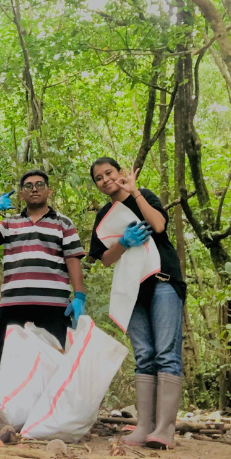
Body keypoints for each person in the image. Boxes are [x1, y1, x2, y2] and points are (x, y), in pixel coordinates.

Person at [89, 157, 185, 449]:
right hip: (132, 289)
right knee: (144, 354)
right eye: (99, 178)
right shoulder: (104, 216)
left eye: (110, 173)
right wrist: (123, 242)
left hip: (163, 280)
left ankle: (165, 428)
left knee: (167, 352)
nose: (106, 179)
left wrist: (136, 193)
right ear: (96, 185)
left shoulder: (143, 195)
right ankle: (144, 426)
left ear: (120, 172)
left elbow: (158, 225)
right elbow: (104, 258)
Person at [0, 169, 86, 365]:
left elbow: (72, 259)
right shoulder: (10, 223)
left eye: (39, 185)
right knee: (0, 361)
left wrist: (79, 296)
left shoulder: (63, 223)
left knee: (56, 362)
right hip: (13, 305)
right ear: (21, 194)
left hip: (54, 306)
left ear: (49, 191)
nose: (34, 189)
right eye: (28, 186)